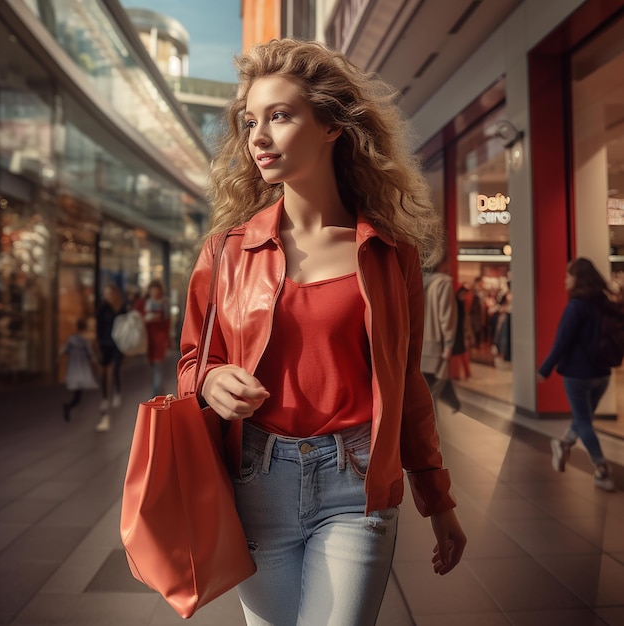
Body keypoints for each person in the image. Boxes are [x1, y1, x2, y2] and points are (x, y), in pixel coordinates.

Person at [178, 39, 466, 625]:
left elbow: (407, 384)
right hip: (256, 481)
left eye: (280, 116)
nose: (258, 136)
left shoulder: (389, 254)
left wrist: (437, 500)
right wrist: (209, 382)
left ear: (332, 125)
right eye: (250, 121)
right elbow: (190, 361)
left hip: (355, 482)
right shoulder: (227, 253)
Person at [537, 257, 618, 492]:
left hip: (577, 375)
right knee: (584, 419)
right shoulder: (605, 303)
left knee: (583, 421)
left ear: (578, 278)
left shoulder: (576, 307)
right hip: (602, 374)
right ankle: (562, 445)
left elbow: (562, 342)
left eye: (568, 275)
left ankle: (601, 468)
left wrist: (544, 370)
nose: (565, 279)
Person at [421, 257, 460, 413]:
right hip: (436, 346)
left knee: (425, 395)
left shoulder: (421, 280)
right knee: (431, 398)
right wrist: (449, 344)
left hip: (420, 346)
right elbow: (447, 315)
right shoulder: (443, 283)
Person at [95, 283, 125, 432]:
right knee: (104, 371)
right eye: (106, 293)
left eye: (110, 293)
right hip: (106, 343)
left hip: (118, 343)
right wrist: (99, 343)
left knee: (115, 369)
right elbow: (99, 328)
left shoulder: (121, 307)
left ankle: (117, 393)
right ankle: (105, 397)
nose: (109, 296)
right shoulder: (102, 309)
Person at [59, 318, 98, 422]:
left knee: (77, 391)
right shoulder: (84, 341)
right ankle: (70, 405)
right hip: (81, 369)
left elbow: (63, 350)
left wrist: (58, 358)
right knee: (77, 395)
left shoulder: (72, 339)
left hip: (73, 368)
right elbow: (90, 355)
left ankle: (71, 405)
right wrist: (96, 364)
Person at [143, 279, 171, 396]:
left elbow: (167, 321)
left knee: (158, 369)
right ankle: (160, 395)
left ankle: (156, 395)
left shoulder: (164, 303)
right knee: (154, 369)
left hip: (159, 338)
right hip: (149, 339)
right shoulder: (148, 302)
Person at [451, 285, 473, 380]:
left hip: (459, 330)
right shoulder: (456, 302)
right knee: (458, 351)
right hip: (456, 330)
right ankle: (456, 373)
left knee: (462, 351)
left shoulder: (460, 302)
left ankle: (464, 373)